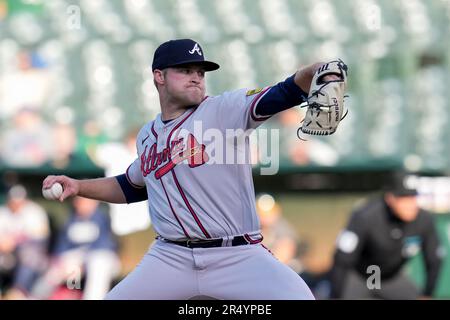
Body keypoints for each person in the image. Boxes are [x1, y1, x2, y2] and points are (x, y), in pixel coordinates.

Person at [42, 38, 345, 300]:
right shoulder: (148, 135)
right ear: (158, 76)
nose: (196, 78)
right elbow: (131, 186)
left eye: (200, 72)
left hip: (236, 254)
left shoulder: (225, 110)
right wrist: (79, 187)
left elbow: (287, 90)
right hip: (170, 257)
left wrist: (322, 70)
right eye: (185, 70)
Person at [329, 173, 443, 299]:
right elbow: (342, 259)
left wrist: (427, 294)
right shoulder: (366, 216)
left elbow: (434, 260)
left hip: (391, 277)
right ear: (390, 198)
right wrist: (337, 293)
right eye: (404, 197)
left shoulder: (424, 220)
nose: (410, 204)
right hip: (360, 276)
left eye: (413, 197)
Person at [31, 197, 120, 300]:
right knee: (60, 269)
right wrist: (62, 260)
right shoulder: (70, 220)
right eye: (79, 201)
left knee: (97, 265)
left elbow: (105, 246)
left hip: (101, 259)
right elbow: (62, 247)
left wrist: (83, 260)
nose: (81, 204)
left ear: (94, 203)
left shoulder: (102, 219)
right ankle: (35, 296)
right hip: (77, 260)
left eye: (85, 202)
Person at [0, 185, 50, 299]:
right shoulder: (3, 212)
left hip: (34, 258)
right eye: (13, 201)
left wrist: (15, 243)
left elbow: (40, 240)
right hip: (7, 256)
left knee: (28, 254)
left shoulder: (35, 212)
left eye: (19, 201)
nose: (16, 204)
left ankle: (18, 291)